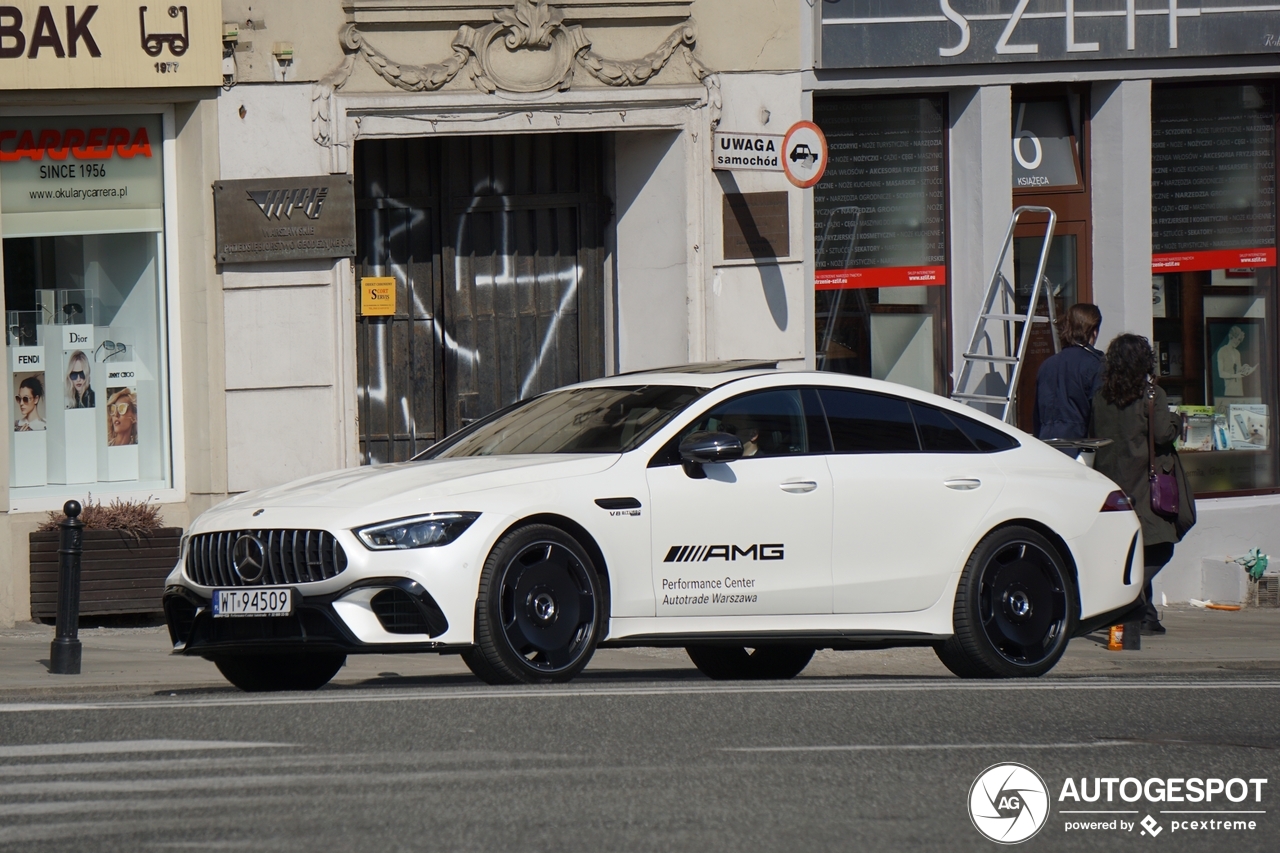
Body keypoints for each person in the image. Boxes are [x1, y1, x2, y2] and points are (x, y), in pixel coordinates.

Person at [1090, 334, 1185, 635]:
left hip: (1112, 478)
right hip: (1145, 479)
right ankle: (1124, 602)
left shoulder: (1101, 396)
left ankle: (1147, 615)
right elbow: (1161, 435)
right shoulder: (1152, 394)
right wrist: (1177, 423)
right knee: (1161, 546)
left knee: (1134, 546)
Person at [1034, 303, 1104, 455]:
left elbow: (1037, 416)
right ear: (1093, 331)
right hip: (1079, 447)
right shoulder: (1095, 365)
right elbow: (1100, 415)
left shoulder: (1047, 365)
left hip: (1045, 445)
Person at [1215, 325, 1256, 397]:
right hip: (1229, 389)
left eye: (1240, 340)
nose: (1238, 342)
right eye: (1237, 338)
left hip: (1239, 388)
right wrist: (1235, 376)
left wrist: (1246, 368)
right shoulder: (1222, 351)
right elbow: (1221, 373)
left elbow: (1239, 371)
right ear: (1231, 336)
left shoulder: (1237, 353)